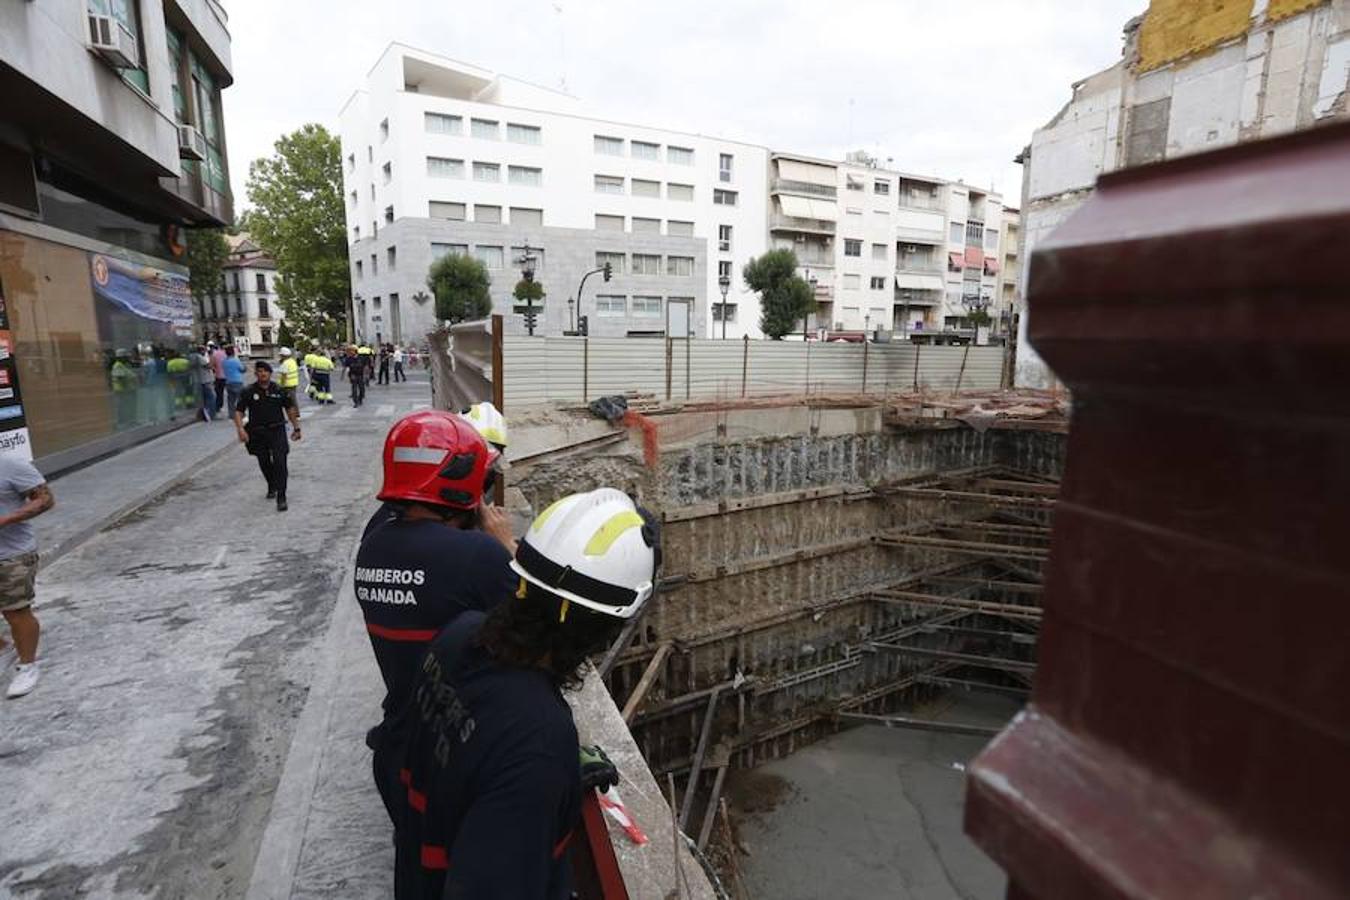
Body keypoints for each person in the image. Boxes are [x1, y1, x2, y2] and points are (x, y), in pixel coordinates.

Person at [378, 488, 660, 899]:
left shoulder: (459, 635)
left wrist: (551, 780)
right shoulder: (540, 740)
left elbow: (467, 754)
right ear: (607, 628)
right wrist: (542, 775)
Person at [355, 412, 518, 734]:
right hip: (464, 731)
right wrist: (506, 545)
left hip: (403, 722)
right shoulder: (476, 554)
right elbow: (536, 621)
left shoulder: (372, 543)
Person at [0, 455, 55, 698]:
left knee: (15, 611)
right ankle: (4, 649)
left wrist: (6, 519)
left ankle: (28, 665)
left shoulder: (10, 465)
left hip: (11, 555)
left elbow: (45, 499)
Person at [233, 360, 301, 512]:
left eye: (265, 371)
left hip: (277, 430)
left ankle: (281, 497)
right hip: (257, 431)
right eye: (260, 371)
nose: (263, 374)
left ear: (270, 373)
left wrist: (296, 428)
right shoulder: (248, 391)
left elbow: (290, 409)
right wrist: (240, 429)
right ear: (256, 374)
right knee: (264, 461)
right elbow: (238, 412)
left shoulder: (279, 390)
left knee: (280, 462)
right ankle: (272, 484)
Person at [190, 345, 215, 421]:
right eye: (204, 350)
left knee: (202, 399)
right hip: (206, 380)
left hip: (198, 381)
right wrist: (211, 357)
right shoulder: (199, 357)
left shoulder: (192, 357)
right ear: (201, 351)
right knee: (211, 398)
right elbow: (209, 366)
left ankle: (202, 415)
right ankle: (209, 415)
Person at [223, 346, 245, 418]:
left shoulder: (224, 361)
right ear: (233, 352)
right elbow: (242, 369)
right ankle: (241, 413)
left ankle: (231, 414)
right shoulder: (236, 360)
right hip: (237, 381)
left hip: (228, 382)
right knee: (240, 399)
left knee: (231, 400)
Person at [209, 342, 227, 415]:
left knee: (219, 392)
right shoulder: (227, 354)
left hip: (218, 376)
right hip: (227, 376)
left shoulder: (215, 354)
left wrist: (215, 369)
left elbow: (211, 365)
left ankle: (218, 406)